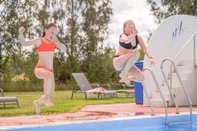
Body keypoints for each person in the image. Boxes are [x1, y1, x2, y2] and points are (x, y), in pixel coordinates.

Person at [18, 23, 67, 114]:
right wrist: (21, 34)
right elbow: (24, 43)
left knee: (52, 95)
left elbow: (64, 49)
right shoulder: (39, 41)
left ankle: (37, 102)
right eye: (52, 32)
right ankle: (46, 99)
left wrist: (57, 41)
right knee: (48, 76)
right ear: (45, 30)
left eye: (55, 33)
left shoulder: (53, 42)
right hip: (39, 69)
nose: (53, 35)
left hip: (50, 71)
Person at [113, 19, 155, 85]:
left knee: (141, 78)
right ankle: (124, 73)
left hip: (127, 65)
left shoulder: (138, 38)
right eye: (130, 27)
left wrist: (150, 57)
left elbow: (145, 49)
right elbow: (127, 41)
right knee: (136, 53)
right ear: (125, 29)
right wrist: (133, 35)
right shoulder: (123, 36)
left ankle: (126, 77)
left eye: (134, 27)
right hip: (118, 62)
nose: (133, 29)